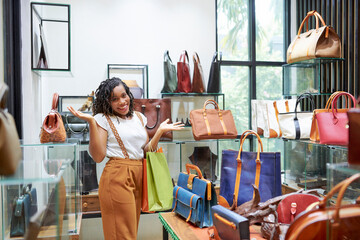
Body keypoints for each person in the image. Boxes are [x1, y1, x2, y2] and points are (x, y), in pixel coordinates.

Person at [68, 77, 184, 240]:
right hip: (117, 177)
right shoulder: (103, 119)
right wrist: (91, 123)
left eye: (124, 95)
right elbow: (98, 156)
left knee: (130, 233)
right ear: (107, 103)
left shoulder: (138, 117)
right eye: (114, 99)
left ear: (129, 94)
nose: (122, 102)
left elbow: (145, 151)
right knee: (123, 235)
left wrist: (159, 132)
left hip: (139, 175)